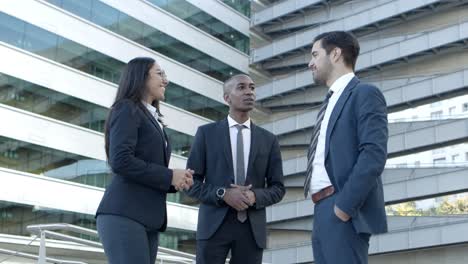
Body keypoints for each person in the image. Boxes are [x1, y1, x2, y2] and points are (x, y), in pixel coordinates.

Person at [95, 57, 193, 264]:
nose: (165, 80)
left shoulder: (154, 118)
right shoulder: (126, 108)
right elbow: (121, 160)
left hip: (148, 218)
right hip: (124, 214)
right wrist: (169, 175)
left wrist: (175, 181)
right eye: (160, 74)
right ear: (140, 77)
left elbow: (149, 167)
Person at [303, 31, 388, 264]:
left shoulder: (364, 93)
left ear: (336, 54)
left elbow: (373, 155)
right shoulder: (329, 102)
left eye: (315, 54)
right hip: (322, 208)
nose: (310, 63)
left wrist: (344, 207)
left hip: (342, 207)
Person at [185, 74, 285, 264]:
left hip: (251, 229)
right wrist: (223, 193)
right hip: (213, 226)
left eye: (252, 87)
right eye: (241, 87)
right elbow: (191, 183)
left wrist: (255, 196)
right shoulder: (206, 134)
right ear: (226, 98)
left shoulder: (269, 140)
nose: (249, 92)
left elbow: (278, 188)